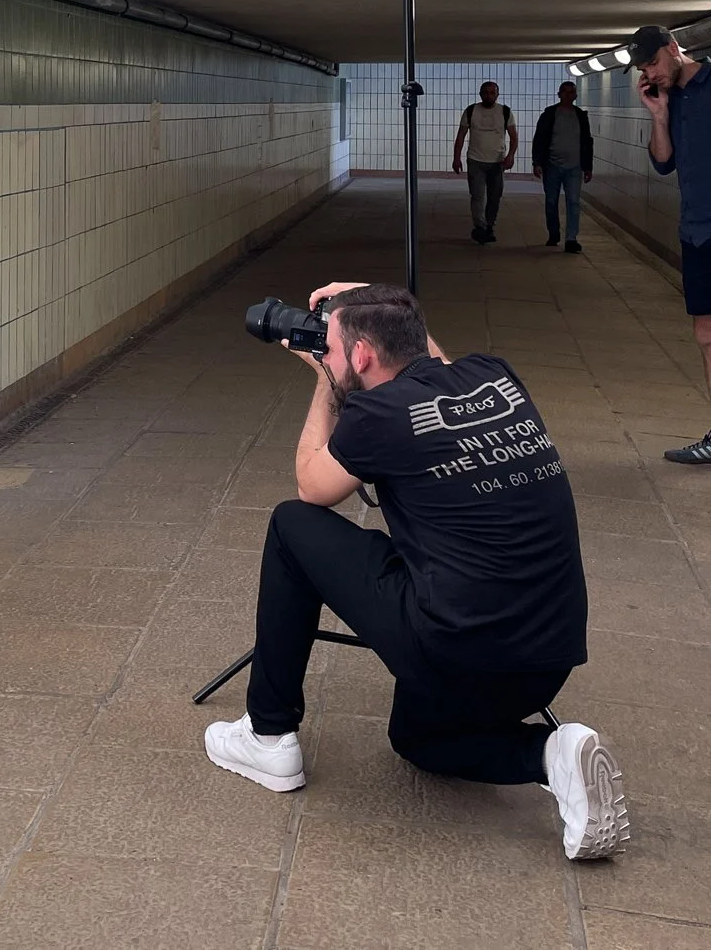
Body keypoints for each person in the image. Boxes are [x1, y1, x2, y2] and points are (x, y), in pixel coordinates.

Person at [202, 282, 629, 862]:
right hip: (547, 659)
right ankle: (552, 754)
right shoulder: (494, 376)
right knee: (415, 739)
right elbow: (428, 357)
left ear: (359, 356)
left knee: (290, 527)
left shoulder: (377, 413)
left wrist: (326, 384)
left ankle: (268, 734)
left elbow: (312, 487)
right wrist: (370, 302)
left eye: (330, 344)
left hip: (459, 652)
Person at [632, 23, 711, 464]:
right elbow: (663, 164)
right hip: (697, 230)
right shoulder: (670, 100)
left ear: (674, 48)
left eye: (655, 63)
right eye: (645, 69)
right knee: (705, 333)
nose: (653, 73)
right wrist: (658, 115)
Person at [452, 82, 518, 244]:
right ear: (480, 94)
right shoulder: (471, 111)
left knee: (495, 196)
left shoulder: (505, 112)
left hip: (497, 162)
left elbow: (513, 136)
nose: (489, 95)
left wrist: (510, 155)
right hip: (475, 161)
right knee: (477, 196)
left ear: (497, 94)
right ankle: (480, 227)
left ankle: (489, 225)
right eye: (486, 92)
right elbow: (460, 135)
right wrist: (456, 157)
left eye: (492, 92)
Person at [532, 81, 593, 253]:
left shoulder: (580, 116)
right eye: (564, 92)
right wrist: (537, 162)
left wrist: (588, 167)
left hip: (575, 167)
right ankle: (553, 233)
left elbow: (587, 141)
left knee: (573, 202)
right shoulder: (550, 114)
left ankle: (571, 238)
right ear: (559, 94)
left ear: (575, 95)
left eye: (571, 92)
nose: (568, 95)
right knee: (551, 201)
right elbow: (540, 139)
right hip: (552, 165)